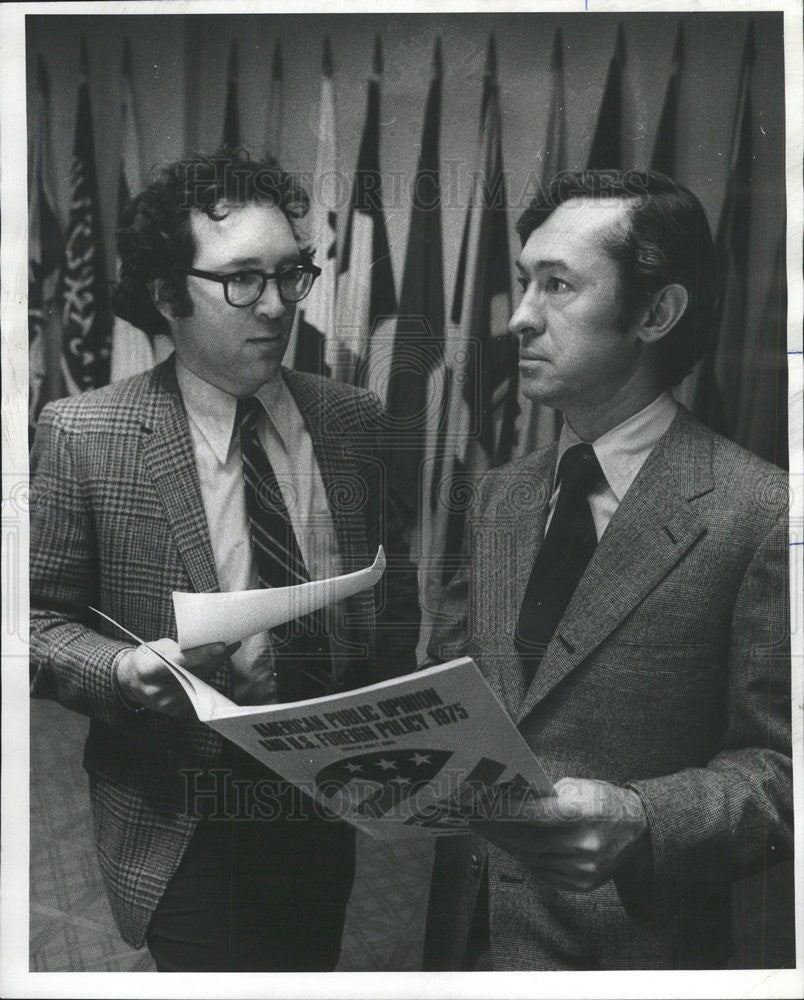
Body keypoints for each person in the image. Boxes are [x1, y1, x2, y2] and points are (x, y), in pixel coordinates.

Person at [29, 149, 420, 972]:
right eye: (243, 279)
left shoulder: (353, 420)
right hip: (181, 805)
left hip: (325, 794)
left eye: (292, 274)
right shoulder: (83, 433)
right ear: (169, 294)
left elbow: (392, 594)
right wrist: (121, 671)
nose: (277, 307)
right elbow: (28, 620)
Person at [424, 170, 791, 970]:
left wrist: (642, 817)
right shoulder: (497, 496)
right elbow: (450, 689)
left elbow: (782, 773)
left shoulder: (762, 514)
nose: (519, 318)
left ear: (656, 314)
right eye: (525, 283)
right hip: (463, 942)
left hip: (631, 957)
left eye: (557, 286)